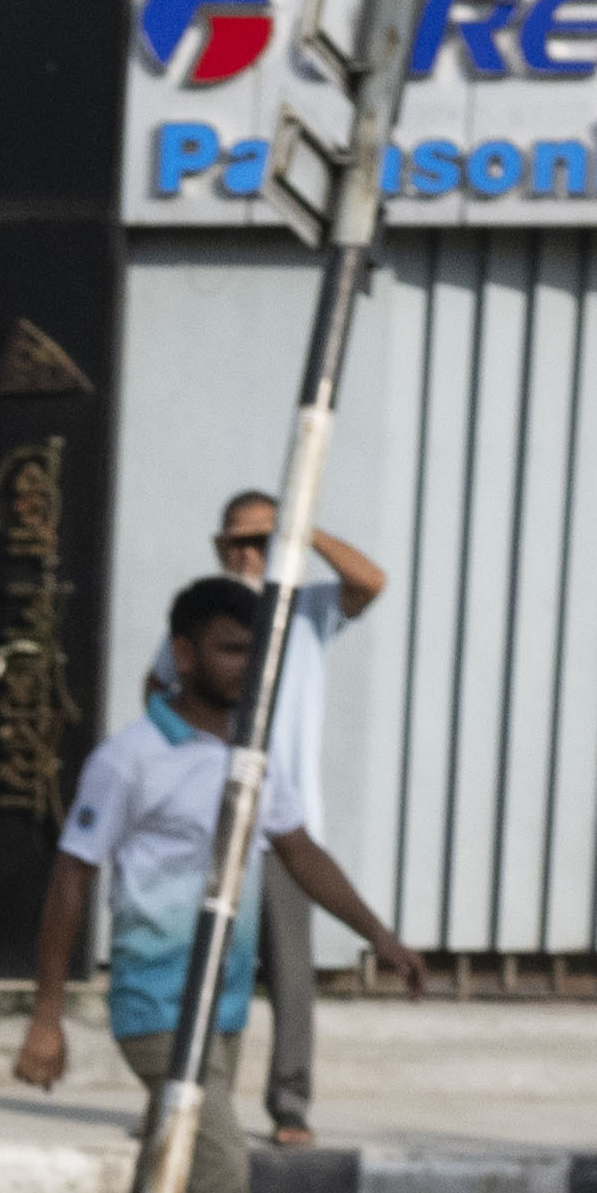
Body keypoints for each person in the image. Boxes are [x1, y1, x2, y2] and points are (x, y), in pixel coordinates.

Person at [9, 573, 428, 1159]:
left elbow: (301, 852)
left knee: (171, 1171)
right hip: (155, 1006)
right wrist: (46, 1019)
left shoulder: (252, 756)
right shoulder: (130, 759)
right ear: (183, 653)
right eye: (231, 649)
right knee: (221, 1166)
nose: (247, 666)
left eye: (257, 653)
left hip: (223, 1007)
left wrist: (380, 937)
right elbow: (70, 880)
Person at [209, 487, 392, 1140]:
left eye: (262, 541)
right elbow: (159, 689)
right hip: (214, 827)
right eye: (239, 542)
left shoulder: (309, 610)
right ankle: (198, 1105)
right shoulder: (204, 619)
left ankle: (290, 1106)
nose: (250, 554)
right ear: (220, 549)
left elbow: (370, 581)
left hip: (287, 833)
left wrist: (304, 529)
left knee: (291, 977)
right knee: (204, 970)